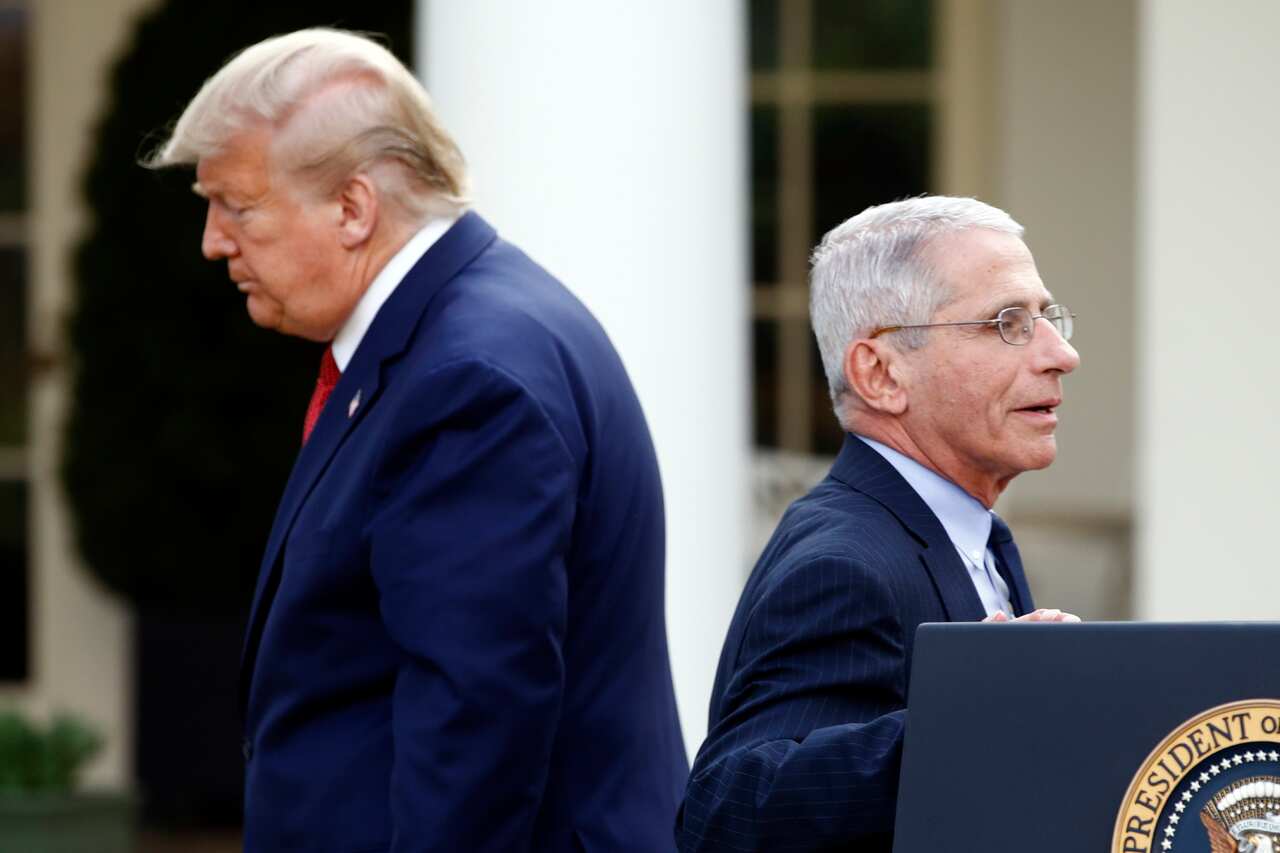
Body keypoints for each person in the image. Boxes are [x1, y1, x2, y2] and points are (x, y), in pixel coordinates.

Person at [144, 28, 687, 852]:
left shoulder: (469, 377)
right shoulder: (461, 331)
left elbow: (478, 724)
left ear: (354, 208)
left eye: (239, 206)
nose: (214, 240)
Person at [675, 196, 1082, 852]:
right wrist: (973, 712)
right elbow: (728, 810)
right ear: (880, 373)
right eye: (1008, 321)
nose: (1061, 354)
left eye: (1046, 316)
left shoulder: (980, 535)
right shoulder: (844, 565)